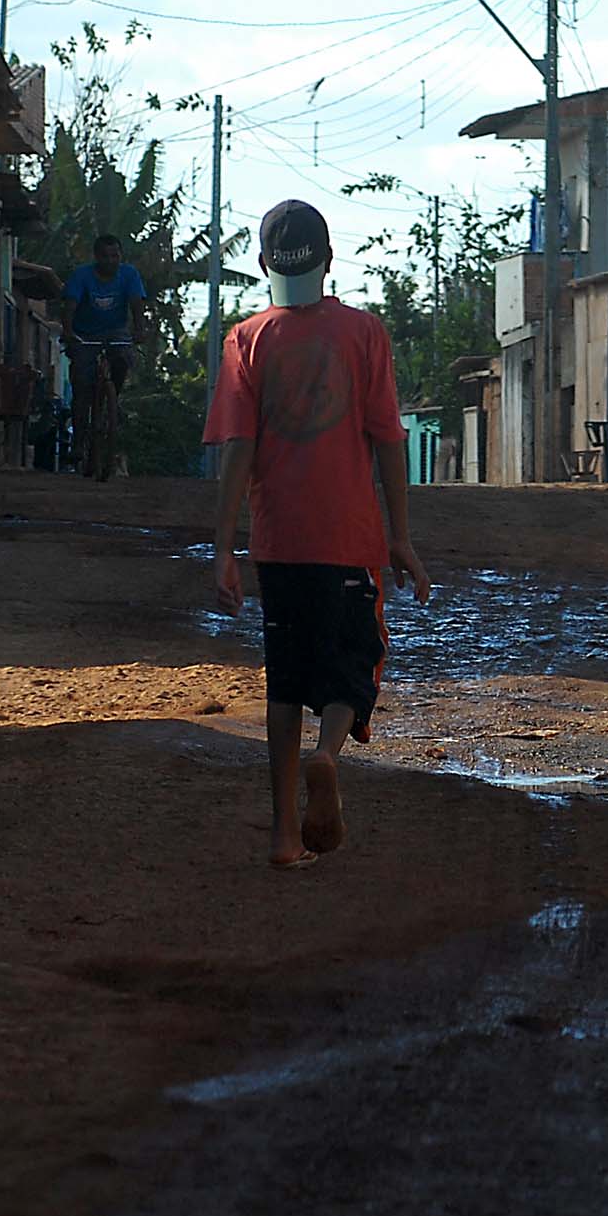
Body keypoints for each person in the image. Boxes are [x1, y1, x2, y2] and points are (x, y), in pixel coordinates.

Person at [206, 200, 433, 870]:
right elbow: (389, 440)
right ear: (331, 262)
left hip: (278, 542)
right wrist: (402, 537)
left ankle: (282, 837)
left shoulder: (245, 340)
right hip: (349, 540)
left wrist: (223, 546)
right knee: (351, 668)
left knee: (284, 686)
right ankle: (326, 754)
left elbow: (238, 452)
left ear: (261, 265)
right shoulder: (365, 335)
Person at [62, 234, 146, 444]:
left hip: (116, 331)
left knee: (122, 359)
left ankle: (111, 399)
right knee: (81, 387)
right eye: (105, 256)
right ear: (96, 257)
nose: (110, 261)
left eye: (114, 256)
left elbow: (136, 303)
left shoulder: (129, 274)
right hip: (85, 334)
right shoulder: (81, 276)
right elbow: (69, 306)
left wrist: (139, 329)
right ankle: (79, 442)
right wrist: (68, 332)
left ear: (120, 256)